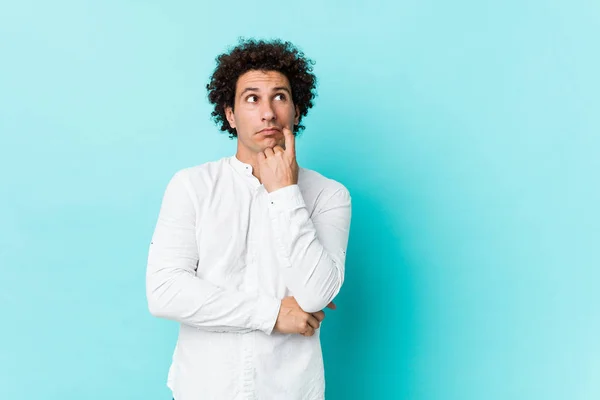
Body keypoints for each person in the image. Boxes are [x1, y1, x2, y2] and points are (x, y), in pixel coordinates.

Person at [146, 38, 352, 400]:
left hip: (291, 389)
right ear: (230, 114)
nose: (268, 112)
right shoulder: (192, 186)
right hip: (203, 388)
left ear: (297, 111)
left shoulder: (329, 195)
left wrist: (284, 193)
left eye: (280, 97)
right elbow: (165, 292)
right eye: (252, 98)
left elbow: (317, 292)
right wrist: (273, 313)